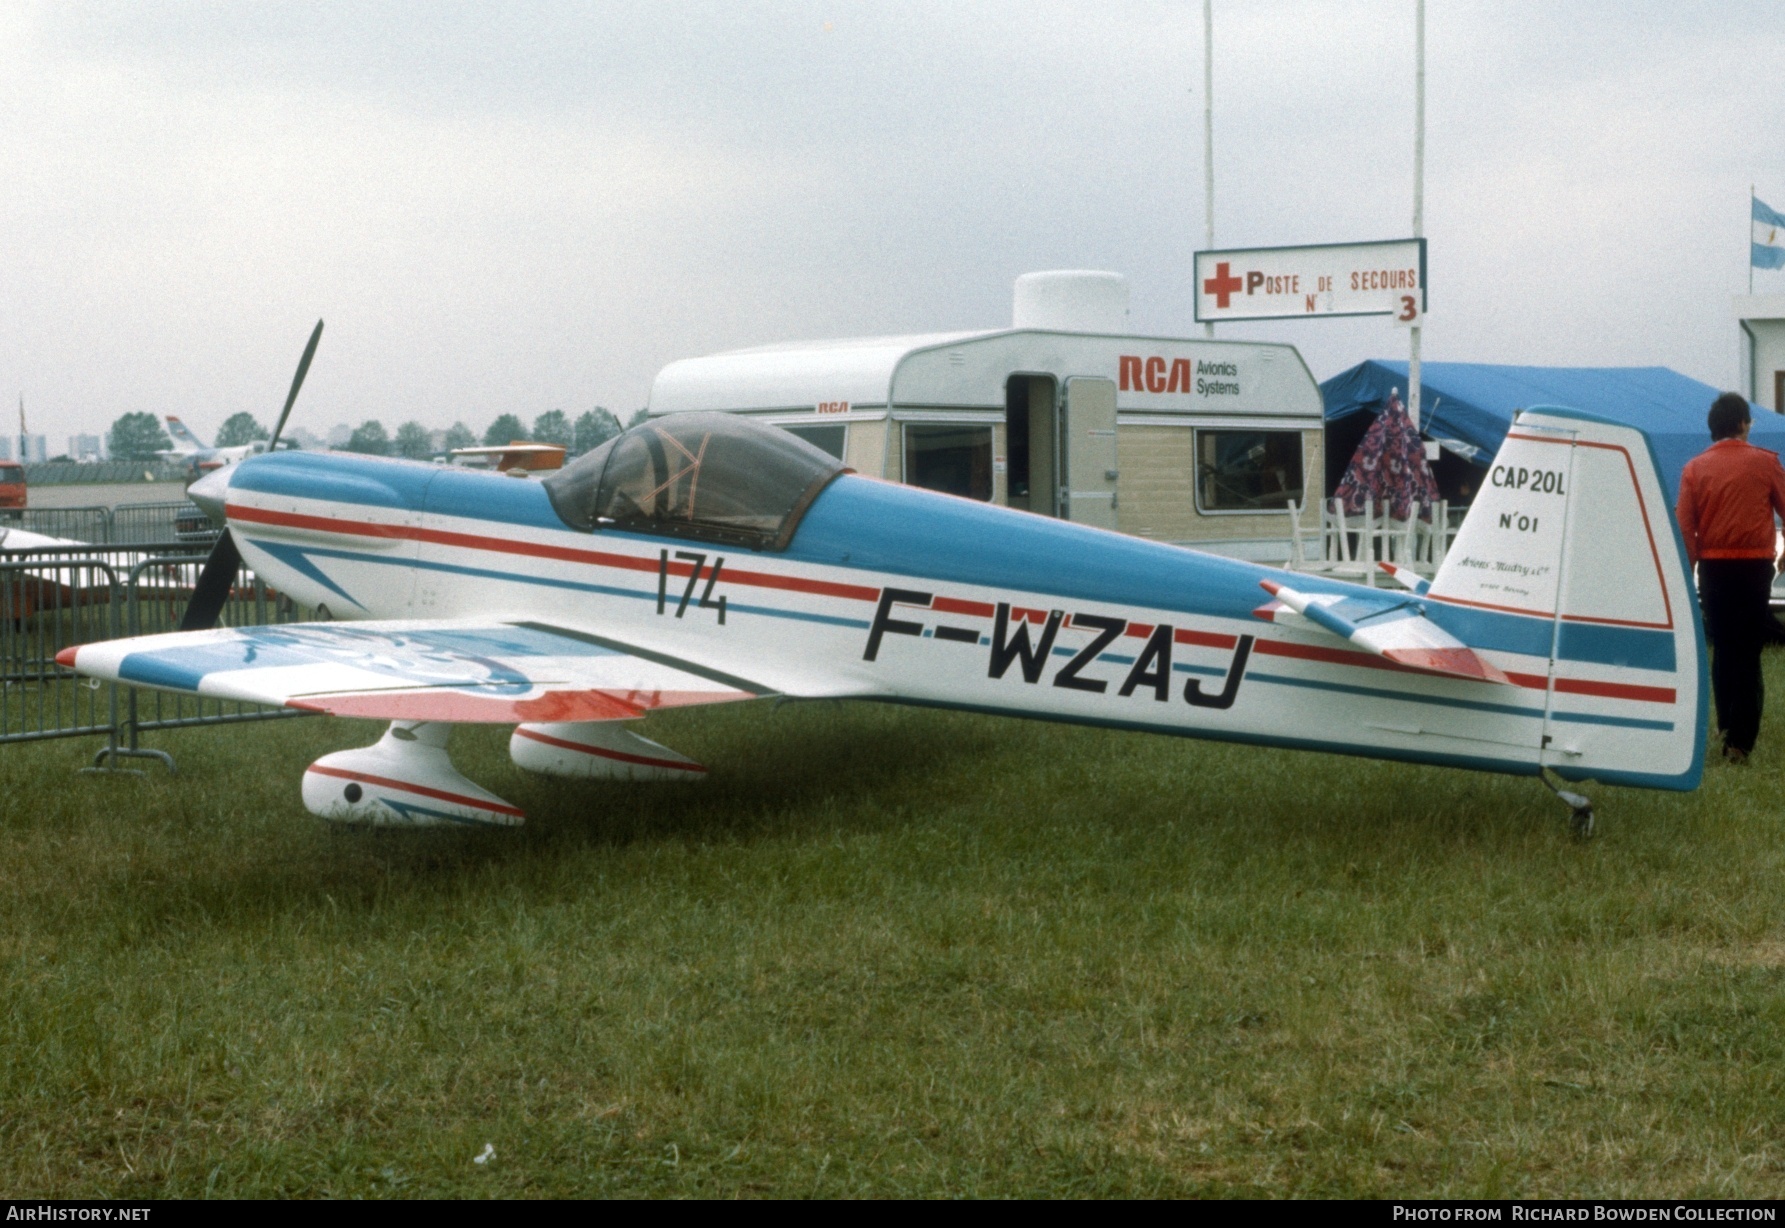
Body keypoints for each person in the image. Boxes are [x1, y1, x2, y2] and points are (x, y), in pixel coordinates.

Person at [1676, 392, 1785, 763]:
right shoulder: (1767, 463)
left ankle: (1725, 725)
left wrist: (1686, 573)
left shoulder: (1693, 469)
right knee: (1748, 651)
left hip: (1714, 568)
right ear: (1741, 424)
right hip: (1755, 567)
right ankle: (1740, 742)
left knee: (1723, 648)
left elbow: (1686, 529)